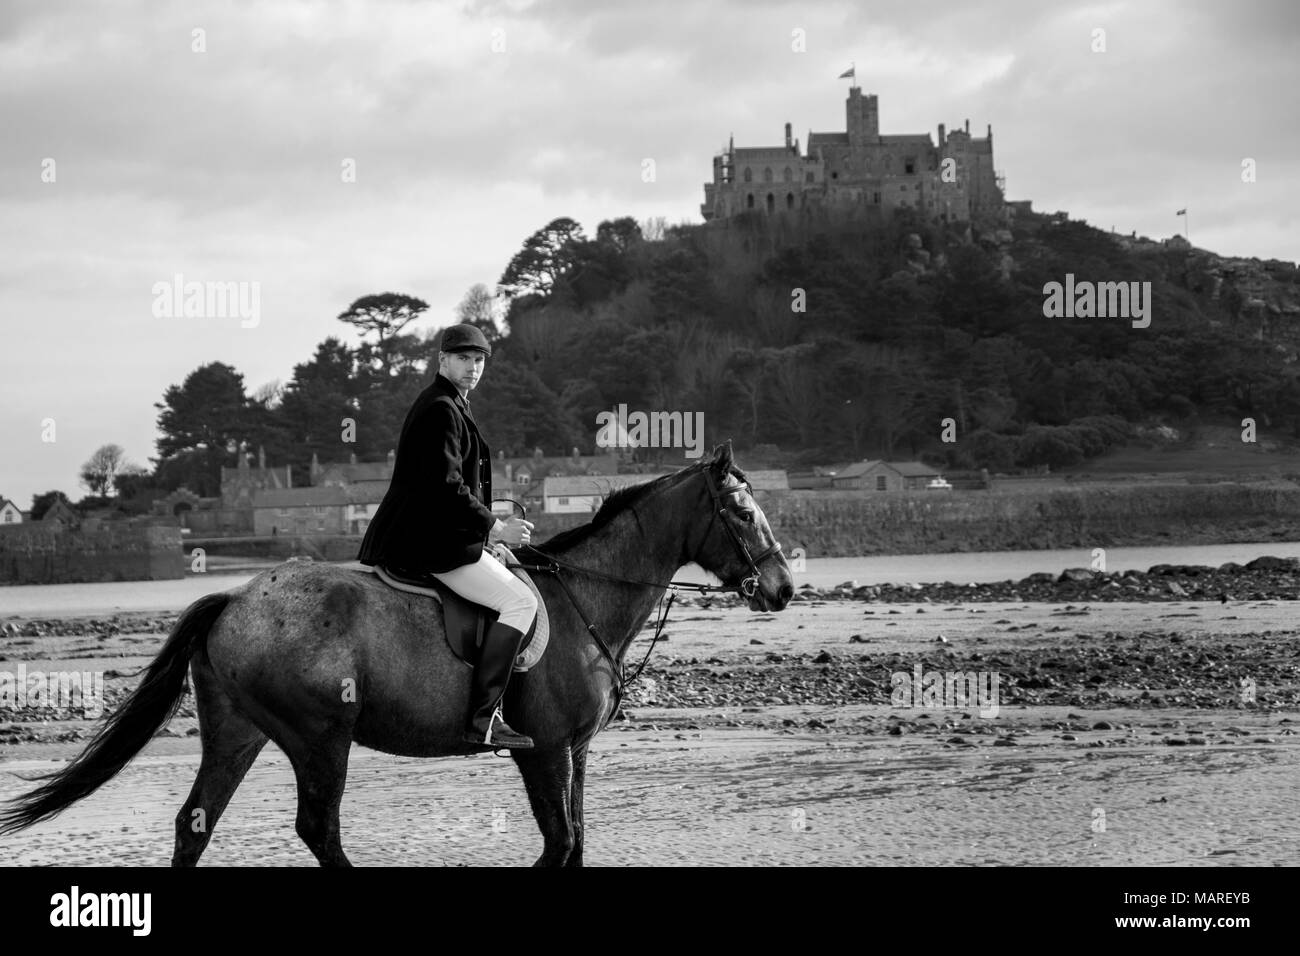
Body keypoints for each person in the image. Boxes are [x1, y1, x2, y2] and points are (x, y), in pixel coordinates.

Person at [358, 323, 538, 749]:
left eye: (479, 361)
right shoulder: (441, 407)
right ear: (442, 360)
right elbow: (447, 486)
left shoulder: (453, 403)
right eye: (463, 359)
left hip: (435, 532)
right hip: (426, 542)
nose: (473, 368)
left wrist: (488, 537)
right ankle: (483, 718)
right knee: (520, 601)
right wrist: (496, 527)